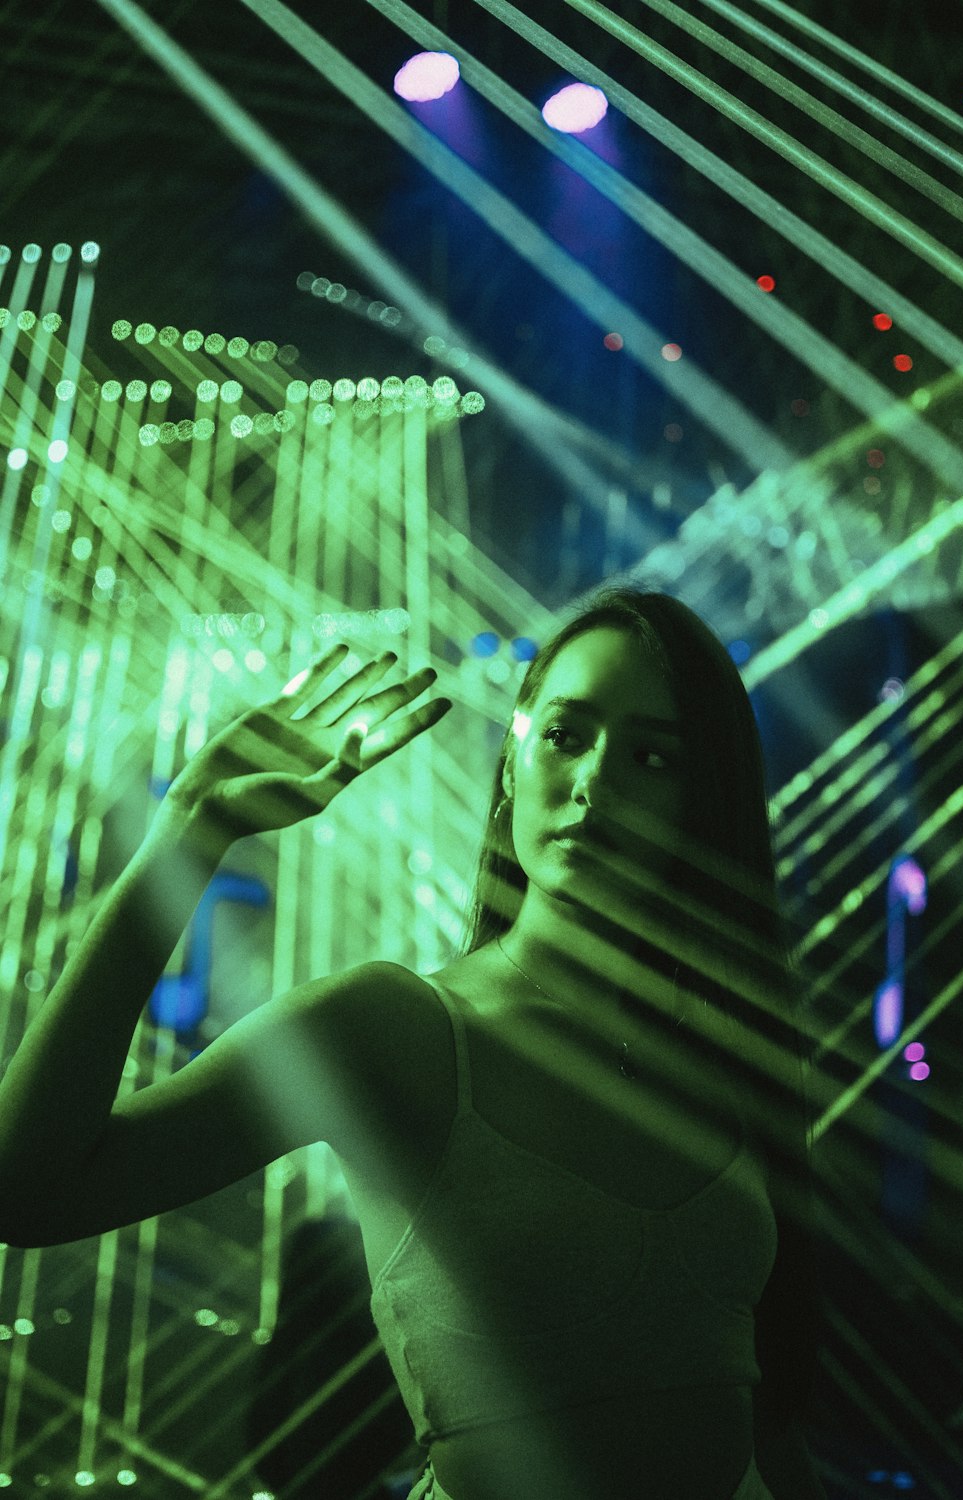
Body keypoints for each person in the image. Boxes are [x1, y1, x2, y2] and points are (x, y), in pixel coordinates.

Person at [0, 585, 827, 1500]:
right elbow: (26, 1188)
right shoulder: (398, 1032)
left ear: (700, 795)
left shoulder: (726, 1057)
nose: (596, 780)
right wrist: (193, 827)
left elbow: (770, 1420)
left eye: (651, 754)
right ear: (510, 763)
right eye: (564, 733)